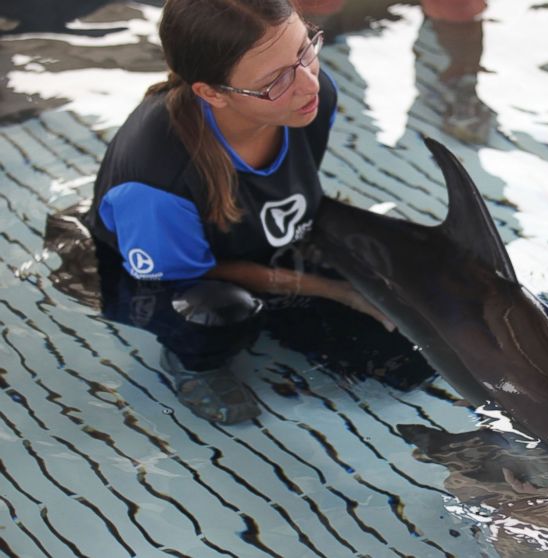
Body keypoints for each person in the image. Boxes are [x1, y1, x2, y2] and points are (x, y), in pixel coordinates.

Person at [84, 0, 422, 425]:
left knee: (405, 361)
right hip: (157, 281)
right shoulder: (157, 179)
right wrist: (335, 290)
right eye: (275, 80)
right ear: (211, 93)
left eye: (305, 49)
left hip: (253, 240)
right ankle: (194, 366)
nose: (308, 84)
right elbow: (190, 274)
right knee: (220, 313)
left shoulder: (309, 100)